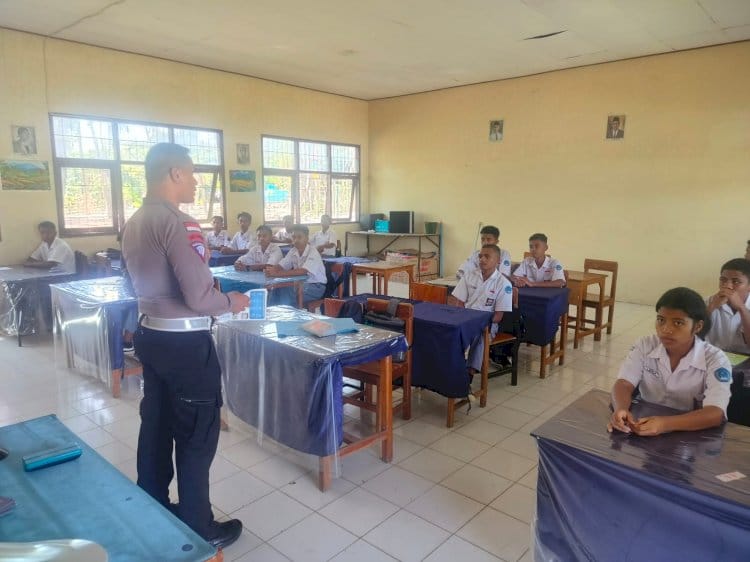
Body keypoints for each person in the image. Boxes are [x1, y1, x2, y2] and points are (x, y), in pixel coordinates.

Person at [121, 143, 249, 549]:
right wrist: (232, 302)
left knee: (156, 424)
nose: (195, 181)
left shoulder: (136, 220)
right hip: (184, 344)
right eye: (192, 173)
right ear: (174, 173)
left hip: (150, 336)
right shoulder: (179, 223)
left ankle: (153, 503)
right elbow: (199, 296)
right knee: (197, 433)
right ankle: (198, 525)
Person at [608, 287, 731, 436]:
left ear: (698, 326)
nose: (666, 329)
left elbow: (715, 413)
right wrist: (621, 409)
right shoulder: (645, 345)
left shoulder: (715, 359)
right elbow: (624, 383)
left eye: (678, 323)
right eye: (661, 320)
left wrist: (665, 424)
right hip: (643, 424)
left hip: (689, 431)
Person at [452, 244, 513, 382]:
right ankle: (450, 368)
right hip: (465, 319)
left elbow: (498, 317)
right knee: (449, 332)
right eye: (480, 256)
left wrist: (478, 322)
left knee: (480, 336)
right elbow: (460, 303)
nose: (482, 259)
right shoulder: (469, 275)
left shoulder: (503, 284)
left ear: (498, 261)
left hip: (487, 323)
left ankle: (469, 375)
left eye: (487, 256)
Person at [266, 224, 327, 304]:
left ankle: (288, 314)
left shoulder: (313, 252)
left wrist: (277, 274)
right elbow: (282, 265)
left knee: (286, 291)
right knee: (275, 288)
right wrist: (272, 270)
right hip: (300, 284)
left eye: (299, 237)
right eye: (294, 237)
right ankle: (274, 313)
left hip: (315, 286)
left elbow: (303, 271)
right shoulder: (293, 250)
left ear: (307, 238)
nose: (296, 240)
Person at [705, 258, 750, 354]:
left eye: (736, 282)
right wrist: (711, 307)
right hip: (714, 358)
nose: (727, 286)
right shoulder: (708, 302)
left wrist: (742, 308)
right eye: (723, 280)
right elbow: (691, 336)